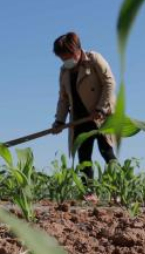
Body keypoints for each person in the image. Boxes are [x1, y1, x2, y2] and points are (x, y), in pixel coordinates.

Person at [50, 32, 118, 193]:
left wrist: (100, 108)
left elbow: (109, 82)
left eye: (68, 56)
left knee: (107, 152)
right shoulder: (64, 71)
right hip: (79, 118)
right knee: (84, 157)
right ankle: (89, 193)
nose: (66, 60)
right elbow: (63, 98)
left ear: (77, 50)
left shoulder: (93, 59)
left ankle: (118, 190)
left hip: (101, 115)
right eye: (62, 58)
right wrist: (59, 121)